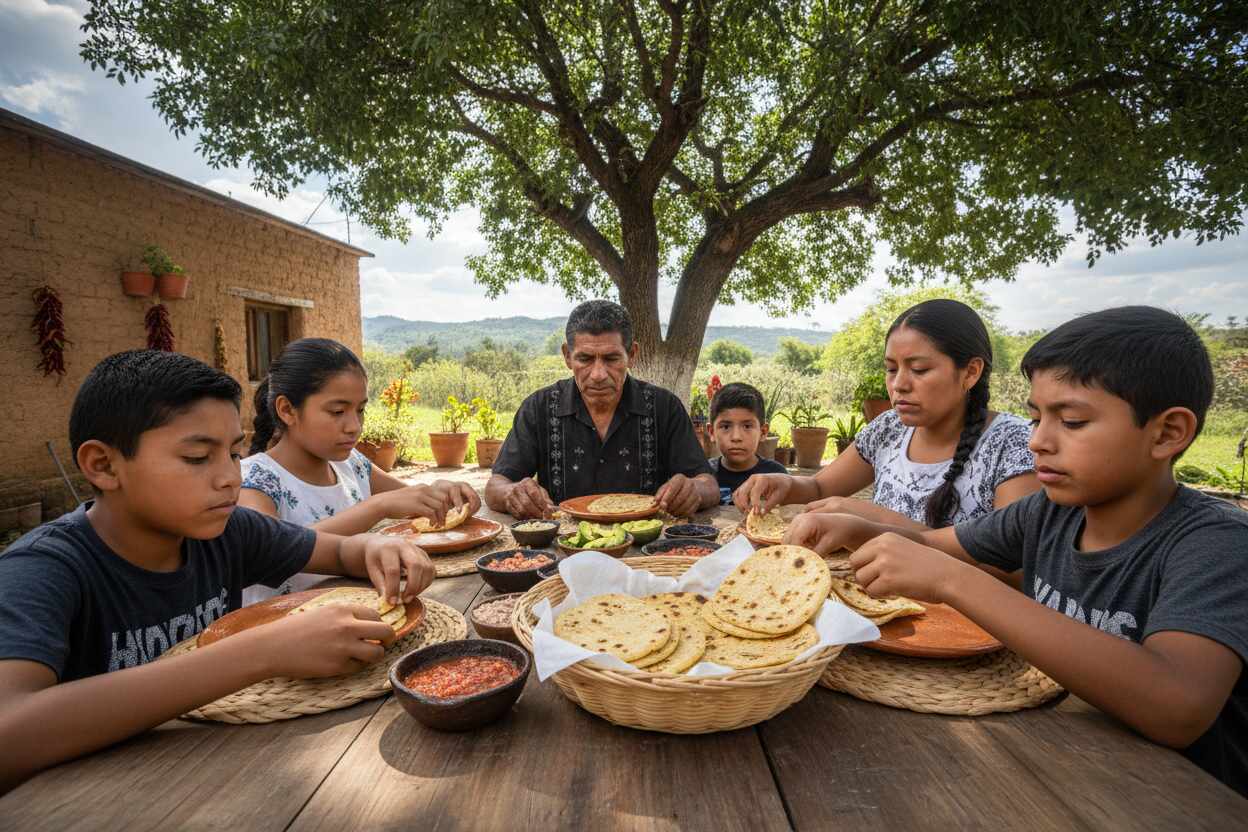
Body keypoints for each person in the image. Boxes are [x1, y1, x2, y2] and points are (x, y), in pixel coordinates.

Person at [785, 307, 1248, 796]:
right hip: (1051, 760)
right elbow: (933, 545)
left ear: (1168, 432)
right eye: (1035, 417)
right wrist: (853, 526)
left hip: (1175, 797)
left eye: (1070, 421)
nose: (1039, 441)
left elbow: (1177, 708)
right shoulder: (1048, 513)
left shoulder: (1215, 544)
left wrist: (951, 580)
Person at [0, 350, 434, 792]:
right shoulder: (45, 570)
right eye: (196, 458)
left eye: (233, 453)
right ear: (103, 465)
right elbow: (9, 729)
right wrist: (261, 651)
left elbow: (340, 554)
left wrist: (379, 546)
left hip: (220, 775)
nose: (230, 477)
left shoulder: (229, 531)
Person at [736, 298, 1038, 529]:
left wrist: (877, 524)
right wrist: (786, 484)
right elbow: (820, 486)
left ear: (971, 372)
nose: (899, 384)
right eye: (891, 369)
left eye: (919, 369)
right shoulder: (889, 428)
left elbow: (1011, 568)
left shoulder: (1013, 445)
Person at [238, 338, 478, 604]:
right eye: (337, 411)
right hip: (286, 631)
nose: (354, 426)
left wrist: (441, 492)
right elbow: (268, 552)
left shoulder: (350, 464)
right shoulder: (256, 480)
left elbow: (411, 501)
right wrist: (377, 506)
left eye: (360, 410)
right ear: (287, 410)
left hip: (359, 616)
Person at [485, 300, 718, 518]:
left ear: (632, 355)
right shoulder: (539, 408)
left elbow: (708, 483)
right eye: (585, 359)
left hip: (648, 548)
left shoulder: (665, 407)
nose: (598, 374)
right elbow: (497, 485)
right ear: (567, 356)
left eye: (611, 359)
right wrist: (512, 494)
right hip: (563, 547)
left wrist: (693, 490)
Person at [707, 382, 787, 503]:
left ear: (763, 432)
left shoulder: (776, 475)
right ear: (712, 432)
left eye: (747, 426)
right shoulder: (705, 475)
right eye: (725, 427)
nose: (736, 437)